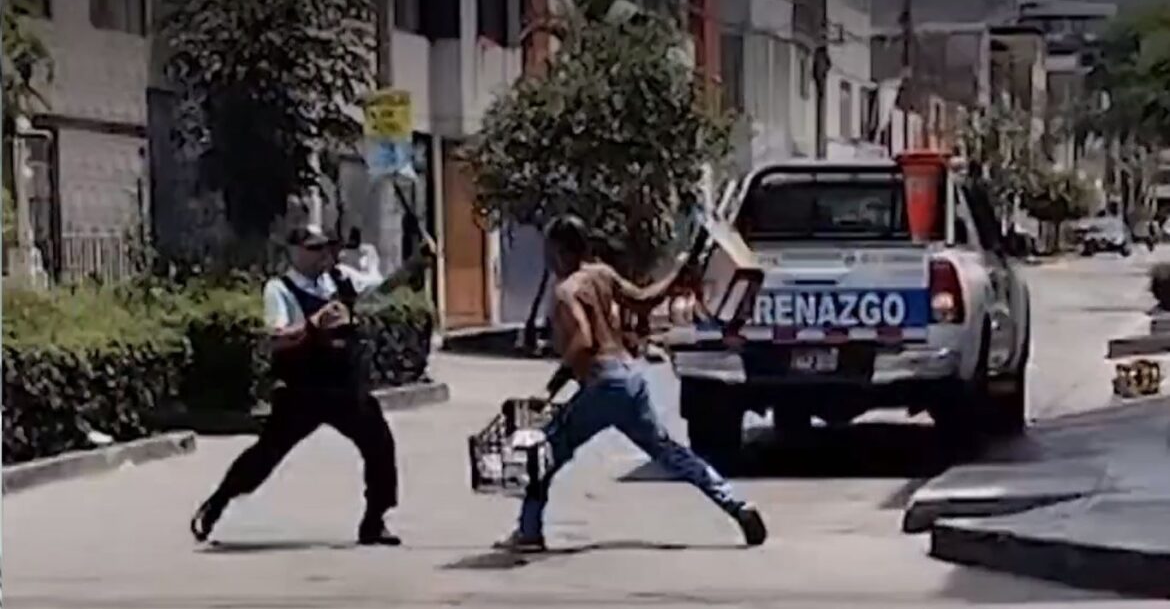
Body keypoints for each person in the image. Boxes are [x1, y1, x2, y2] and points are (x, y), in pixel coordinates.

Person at [494, 215, 767, 552]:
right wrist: (675, 276)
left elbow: (583, 340)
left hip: (602, 383)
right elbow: (644, 300)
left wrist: (549, 390)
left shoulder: (566, 292)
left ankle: (529, 531)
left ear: (560, 251)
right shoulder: (602, 274)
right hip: (631, 377)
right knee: (671, 453)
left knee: (544, 452)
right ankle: (737, 505)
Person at [189, 224, 434, 546]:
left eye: (327, 247)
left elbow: (382, 288)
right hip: (303, 389)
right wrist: (313, 324)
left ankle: (375, 520)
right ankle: (217, 503)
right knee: (266, 453)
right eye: (315, 248)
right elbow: (277, 338)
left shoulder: (341, 279)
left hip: (344, 387)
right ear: (295, 252)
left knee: (379, 444)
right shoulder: (280, 289)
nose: (324, 254)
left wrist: (415, 262)